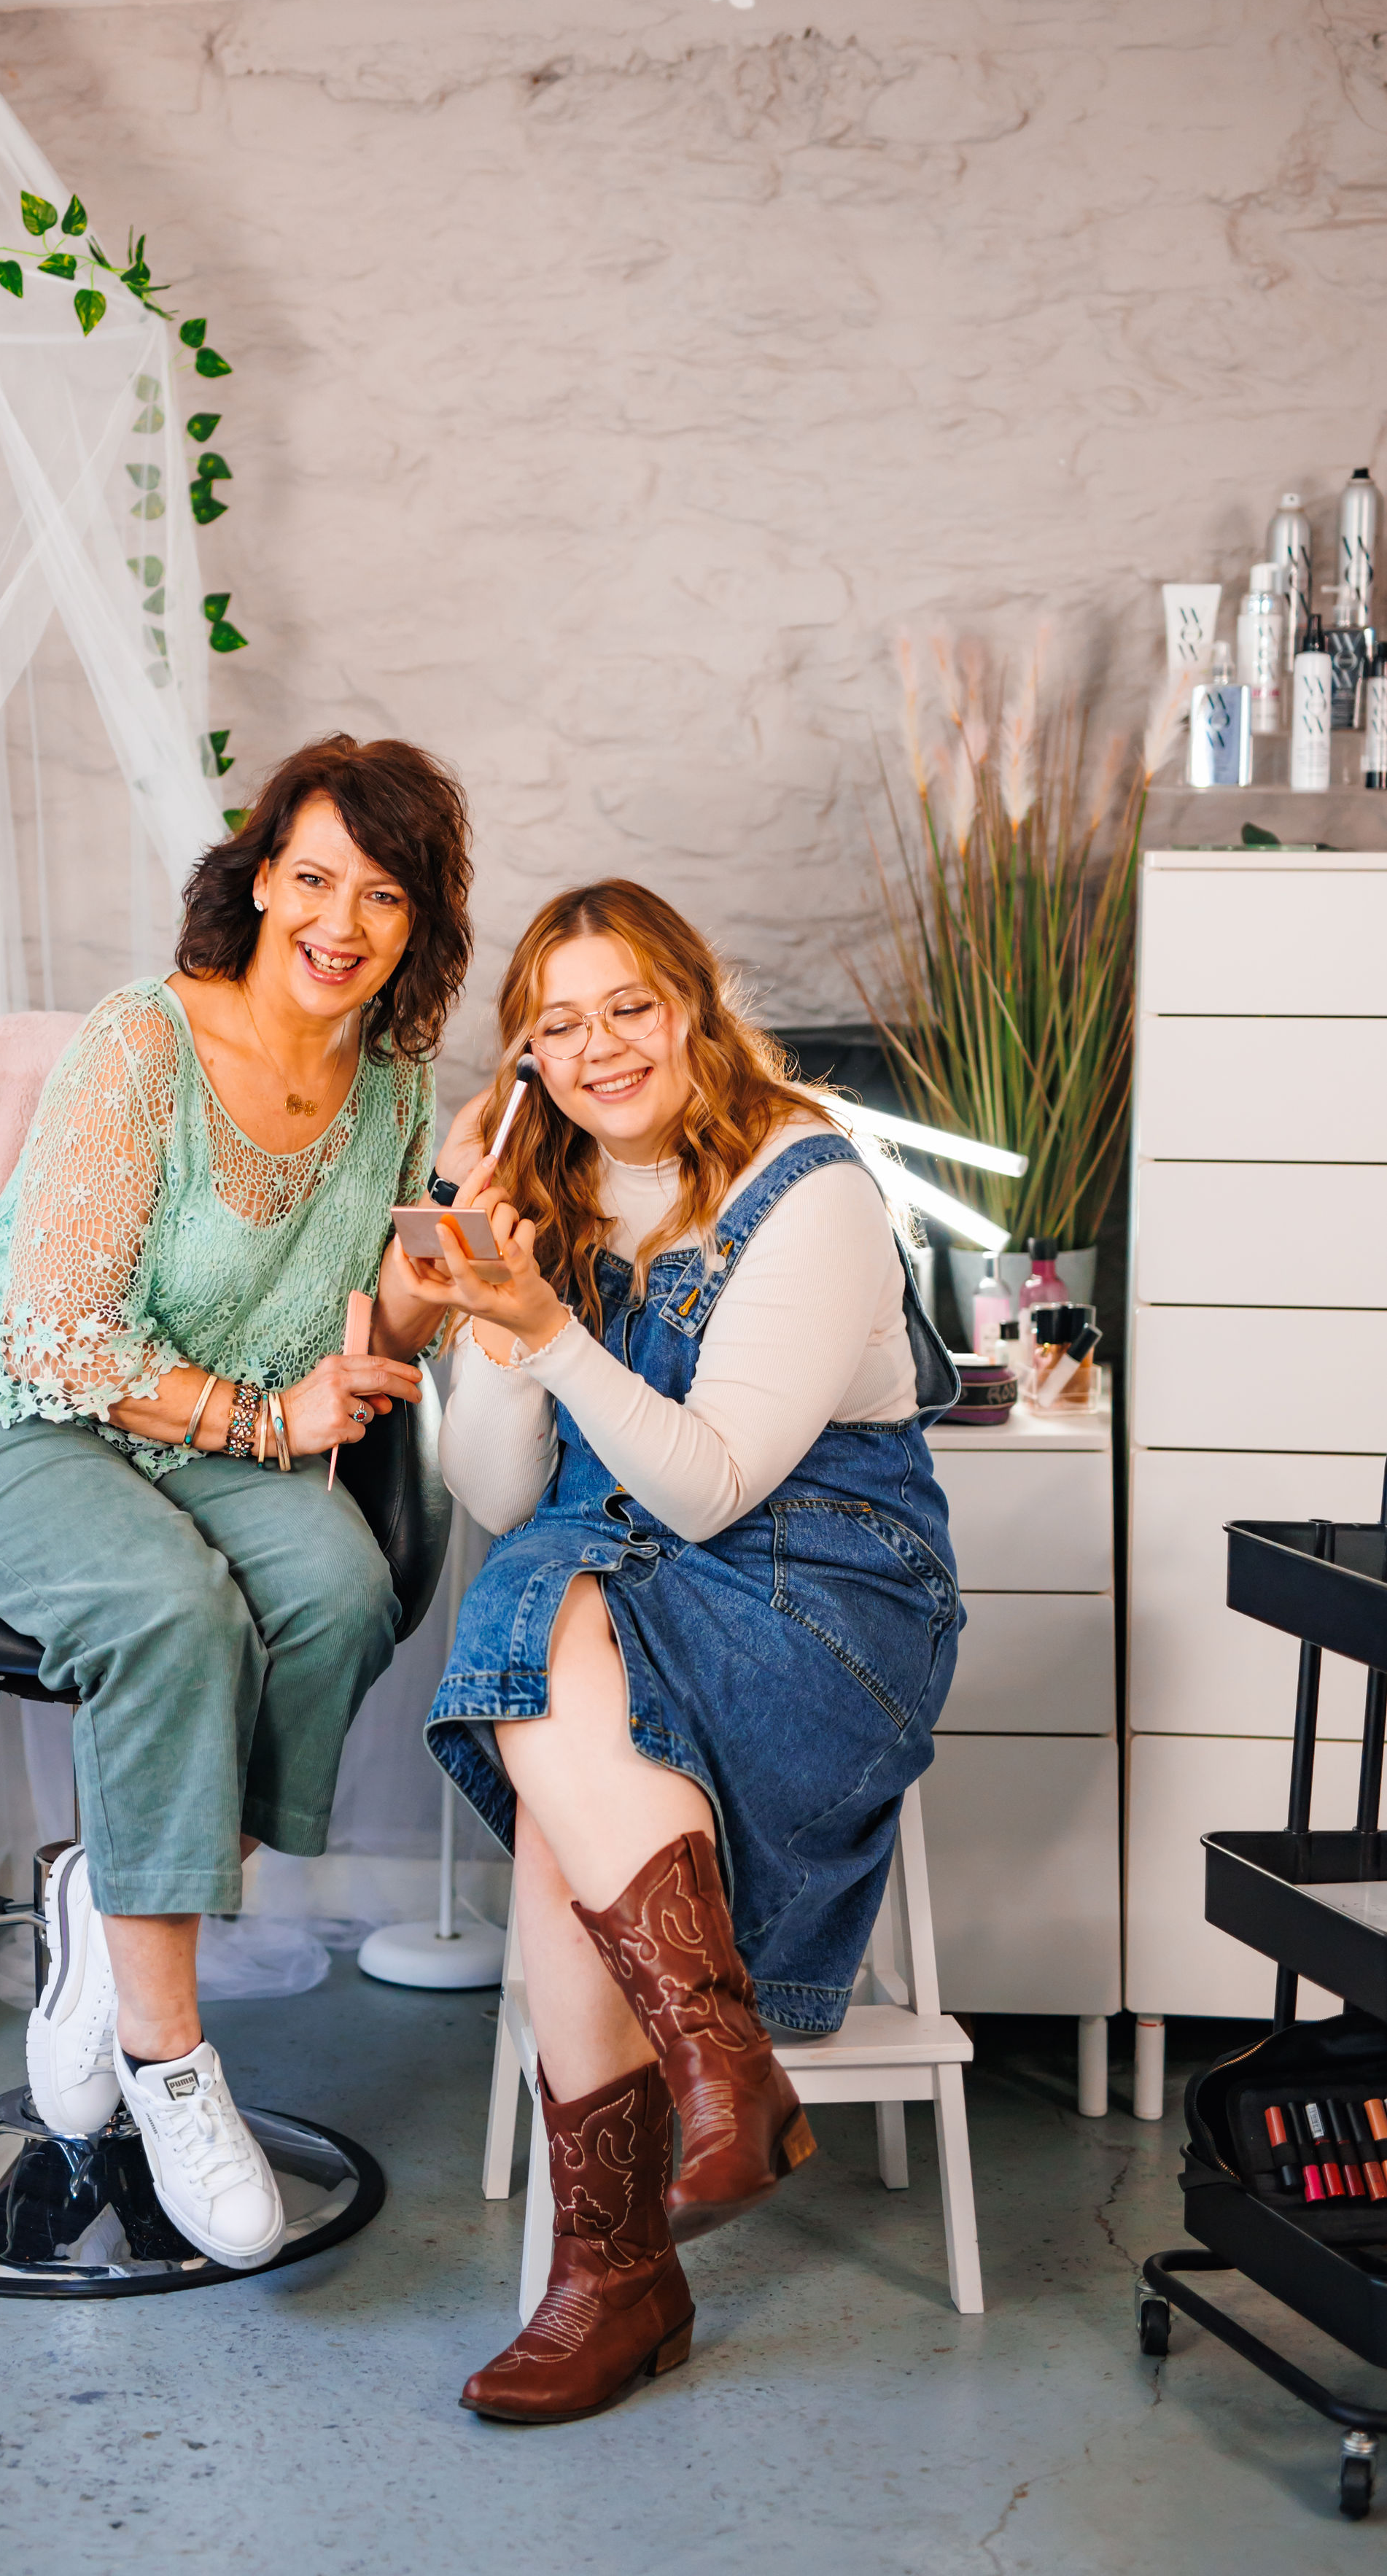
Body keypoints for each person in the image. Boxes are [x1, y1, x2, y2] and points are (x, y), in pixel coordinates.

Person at [0, 735, 470, 2270]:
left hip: (194, 1431)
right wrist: (270, 1419)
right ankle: (169, 2059)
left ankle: (107, 1914)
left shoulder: (395, 1085)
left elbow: (364, 1328)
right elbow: (57, 1333)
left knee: (339, 1594)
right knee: (173, 1610)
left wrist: (418, 1300)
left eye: (382, 896)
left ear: (418, 924)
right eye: (315, 878)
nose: (341, 922)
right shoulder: (145, 1041)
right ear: (262, 879)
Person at [394, 877, 961, 2422]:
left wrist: (554, 1332)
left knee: (538, 1633)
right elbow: (501, 1489)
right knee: (534, 1594)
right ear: (525, 1069)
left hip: (826, 1603)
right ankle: (718, 2078)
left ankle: (616, 2271)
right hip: (629, 1587)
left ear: (694, 1009)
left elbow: (713, 1484)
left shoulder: (811, 1184)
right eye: (556, 1029)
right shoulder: (554, 1204)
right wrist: (489, 1286)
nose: (598, 1050)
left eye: (626, 1008)